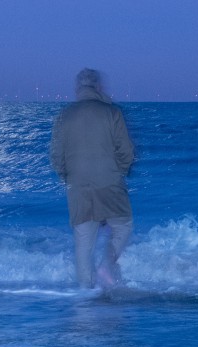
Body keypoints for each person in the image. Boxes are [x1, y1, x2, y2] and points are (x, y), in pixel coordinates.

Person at [50, 68, 135, 289]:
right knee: (123, 226)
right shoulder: (112, 112)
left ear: (78, 88)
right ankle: (108, 263)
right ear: (98, 87)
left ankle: (85, 295)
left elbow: (56, 157)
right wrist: (119, 173)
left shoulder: (64, 116)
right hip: (109, 184)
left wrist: (69, 178)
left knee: (83, 243)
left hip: (78, 188)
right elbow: (127, 152)